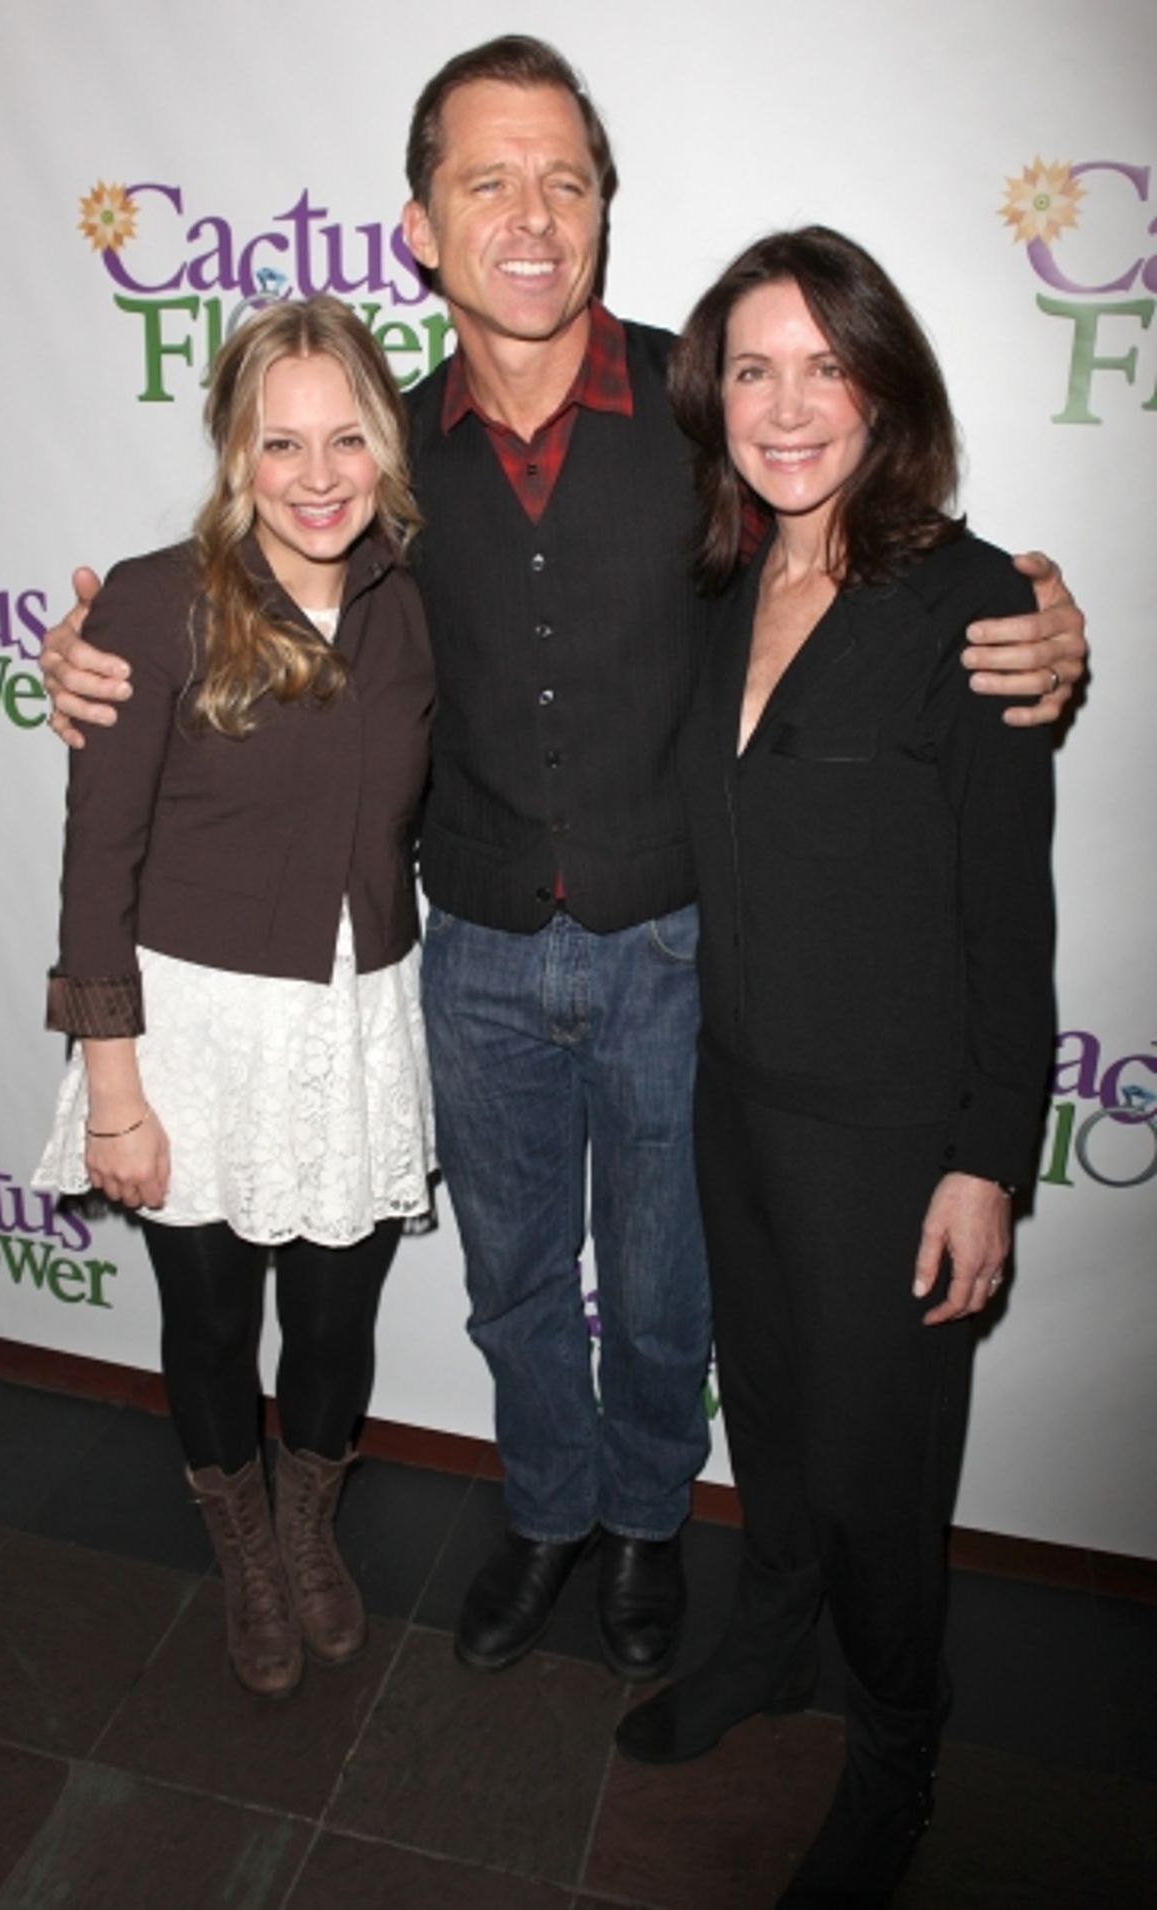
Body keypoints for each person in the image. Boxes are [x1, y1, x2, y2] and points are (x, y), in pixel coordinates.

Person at [38, 38, 1086, 1689]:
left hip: (676, 950)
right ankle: (543, 1512)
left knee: (667, 1291)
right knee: (517, 1282)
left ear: (604, 207)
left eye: (566, 182)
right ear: (419, 229)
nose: (532, 217)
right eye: (489, 182)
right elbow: (242, 577)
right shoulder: (383, 458)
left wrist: (1031, 611)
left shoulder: (706, 410)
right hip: (468, 952)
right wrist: (93, 645)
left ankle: (649, 1523)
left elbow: (860, 541)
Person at [614, 227, 1056, 1907]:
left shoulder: (974, 607)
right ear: (712, 395)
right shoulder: (722, 582)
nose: (787, 406)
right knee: (780, 1427)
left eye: (825, 366)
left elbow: (1008, 918)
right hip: (734, 1102)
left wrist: (985, 1157)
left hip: (891, 1142)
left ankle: (896, 1752)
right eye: (753, 368)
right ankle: (769, 1642)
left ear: (885, 388)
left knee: (884, 1482)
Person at [34, 296, 435, 1700]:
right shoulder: (156, 602)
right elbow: (100, 863)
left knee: (332, 1327)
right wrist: (115, 1092)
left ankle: (309, 1526)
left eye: (346, 439)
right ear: (233, 453)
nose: (318, 476)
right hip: (193, 1037)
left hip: (357, 1022)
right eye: (281, 443)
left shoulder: (413, 603)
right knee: (209, 1329)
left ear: (386, 449)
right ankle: (246, 1551)